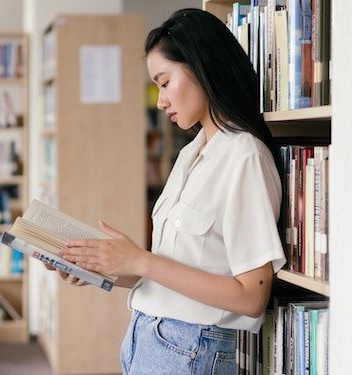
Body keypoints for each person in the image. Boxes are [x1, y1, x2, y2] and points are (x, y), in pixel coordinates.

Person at [50, 8, 286, 375]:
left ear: (200, 66)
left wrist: (141, 260)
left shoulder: (245, 157)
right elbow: (170, 274)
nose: (160, 101)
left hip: (191, 350)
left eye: (164, 82)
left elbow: (252, 296)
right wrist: (106, 268)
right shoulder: (191, 153)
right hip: (146, 338)